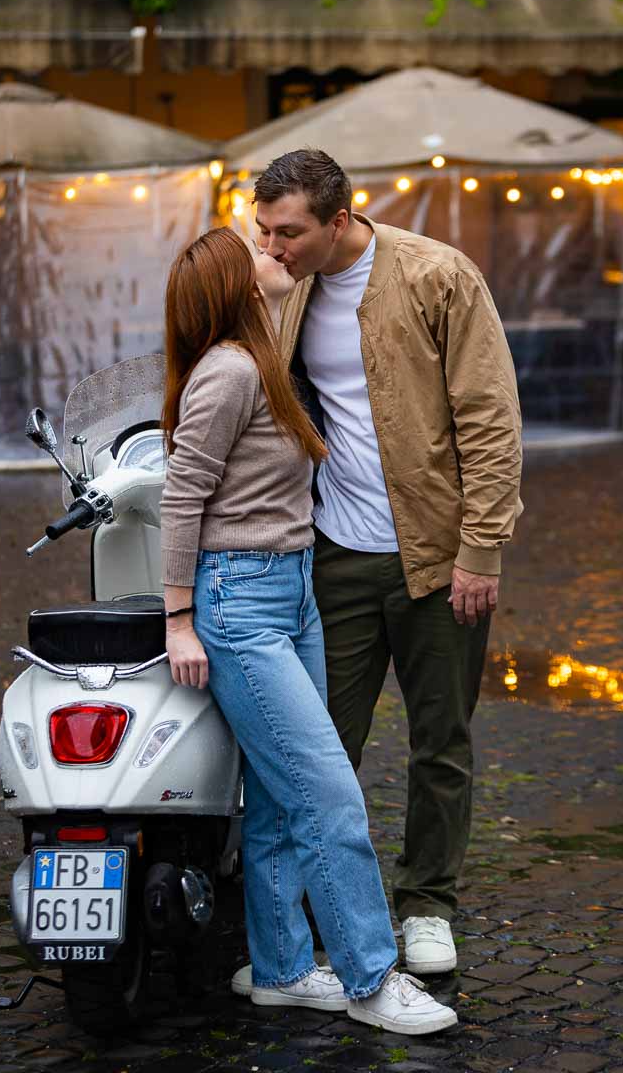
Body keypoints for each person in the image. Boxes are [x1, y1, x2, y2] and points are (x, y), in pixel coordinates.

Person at [159, 226, 458, 1035]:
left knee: (280, 801)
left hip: (292, 592)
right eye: (257, 250)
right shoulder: (227, 372)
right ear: (239, 288)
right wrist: (179, 618)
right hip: (240, 604)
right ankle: (369, 978)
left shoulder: (260, 364)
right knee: (327, 792)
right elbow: (182, 496)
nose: (275, 252)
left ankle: (285, 968)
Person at [252, 150, 522, 976]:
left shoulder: (437, 275)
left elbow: (490, 419)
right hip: (332, 555)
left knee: (441, 740)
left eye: (288, 231)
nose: (272, 245)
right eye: (263, 228)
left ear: (340, 221)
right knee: (322, 744)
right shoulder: (279, 284)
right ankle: (320, 906)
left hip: (439, 558)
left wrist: (482, 548)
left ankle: (428, 903)